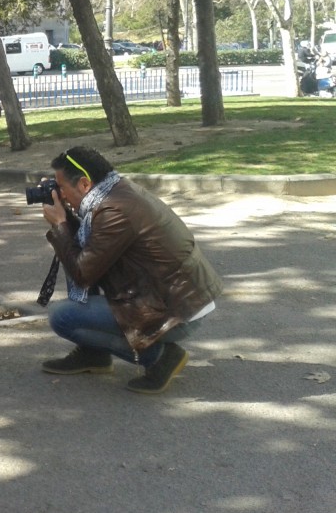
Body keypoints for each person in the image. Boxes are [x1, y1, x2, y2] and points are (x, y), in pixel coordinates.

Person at [37, 146, 221, 393]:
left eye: (61, 187)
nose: (59, 193)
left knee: (62, 317)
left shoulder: (114, 211)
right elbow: (88, 255)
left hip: (177, 311)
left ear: (83, 184)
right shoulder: (115, 192)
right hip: (174, 297)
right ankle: (94, 355)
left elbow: (82, 274)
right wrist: (67, 221)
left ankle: (160, 358)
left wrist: (60, 225)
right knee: (75, 254)